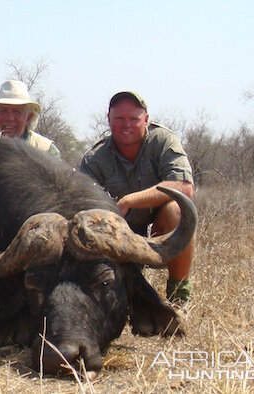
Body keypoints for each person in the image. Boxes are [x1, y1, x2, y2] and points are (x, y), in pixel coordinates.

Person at [79, 91, 195, 305]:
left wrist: (128, 201)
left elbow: (184, 187)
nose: (126, 125)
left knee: (176, 210)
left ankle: (179, 296)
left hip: (158, 230)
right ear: (108, 120)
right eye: (119, 119)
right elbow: (82, 208)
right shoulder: (94, 159)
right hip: (116, 235)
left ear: (146, 120)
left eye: (134, 119)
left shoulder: (163, 140)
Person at [0, 80, 61, 158]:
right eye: (3, 111)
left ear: (29, 117)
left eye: (16, 112)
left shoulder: (46, 150)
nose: (9, 118)